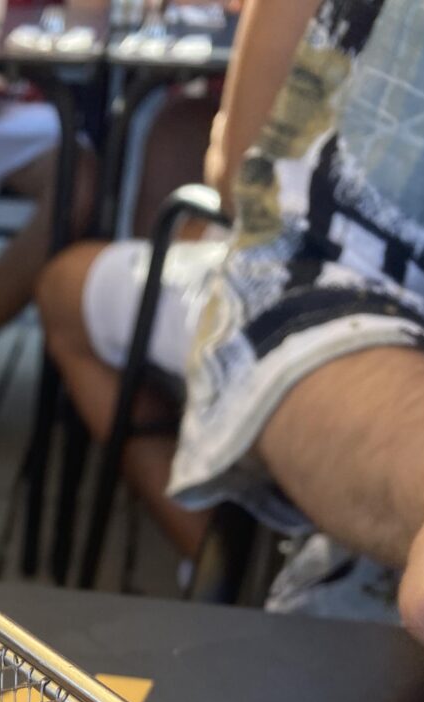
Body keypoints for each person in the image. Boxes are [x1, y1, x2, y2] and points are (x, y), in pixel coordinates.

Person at [169, 0, 424, 650]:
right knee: (71, 286)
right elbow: (274, 239)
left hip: (242, 298)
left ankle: (202, 580)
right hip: (286, 315)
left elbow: (232, 175)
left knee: (73, 286)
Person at [36, 0, 311, 562]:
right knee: (177, 132)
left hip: (313, 309)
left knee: (63, 288)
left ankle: (218, 559)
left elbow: (238, 185)